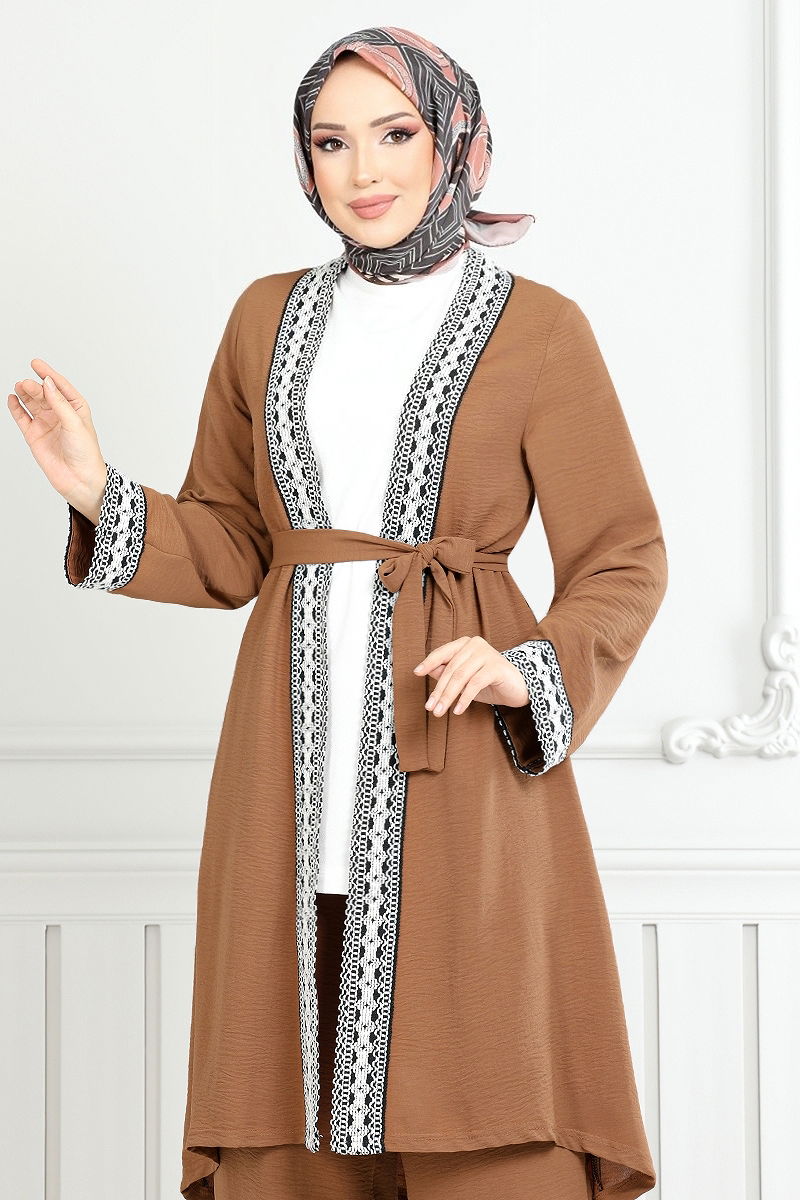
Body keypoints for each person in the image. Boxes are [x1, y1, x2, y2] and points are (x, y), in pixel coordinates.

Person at [8, 25, 666, 1200]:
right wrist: (97, 489)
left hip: (461, 761)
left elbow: (623, 556)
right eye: (330, 142)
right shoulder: (266, 317)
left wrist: (525, 667)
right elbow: (232, 546)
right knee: (289, 1113)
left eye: (394, 133)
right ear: (303, 160)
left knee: (487, 1105)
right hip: (287, 765)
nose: (362, 169)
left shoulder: (539, 328)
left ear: (455, 143)